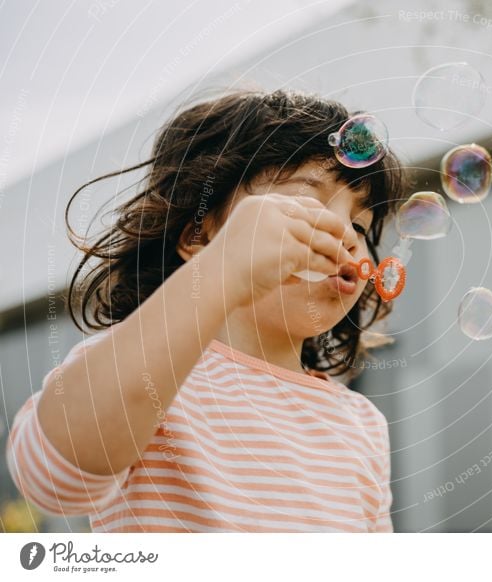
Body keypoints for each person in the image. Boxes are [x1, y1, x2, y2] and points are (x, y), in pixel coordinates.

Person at [6, 89, 406, 532]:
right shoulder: (150, 367)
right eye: (306, 208)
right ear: (199, 235)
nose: (344, 236)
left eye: (359, 226)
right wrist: (225, 268)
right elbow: (54, 481)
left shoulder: (361, 423)